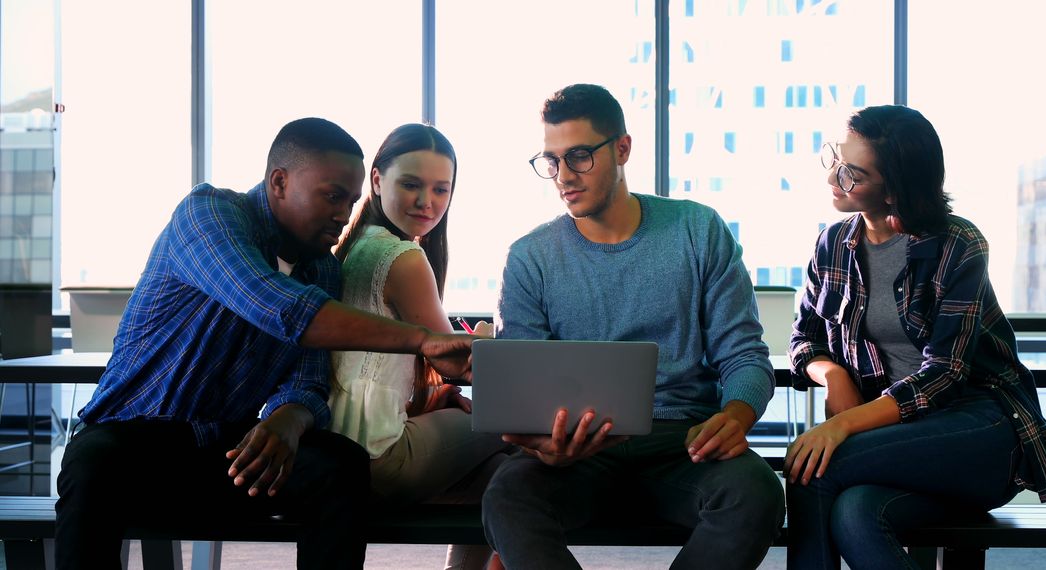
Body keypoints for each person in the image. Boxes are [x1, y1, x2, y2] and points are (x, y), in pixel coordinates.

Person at [55, 117, 476, 570]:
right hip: (132, 441)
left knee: (340, 464)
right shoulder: (208, 215)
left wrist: (288, 420)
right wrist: (424, 341)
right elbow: (277, 306)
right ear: (280, 182)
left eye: (351, 201)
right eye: (332, 196)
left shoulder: (322, 269)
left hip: (226, 454)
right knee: (93, 460)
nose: (343, 213)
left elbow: (307, 382)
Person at [481, 83, 786, 570]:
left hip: (683, 442)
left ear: (622, 148)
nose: (564, 176)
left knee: (756, 494)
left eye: (579, 156)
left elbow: (744, 354)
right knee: (507, 497)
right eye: (552, 161)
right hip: (578, 451)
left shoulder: (697, 230)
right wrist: (544, 446)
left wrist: (737, 415)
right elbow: (522, 387)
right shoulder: (529, 257)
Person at [784, 105, 1046, 570]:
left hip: (979, 429)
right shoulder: (832, 244)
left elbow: (945, 374)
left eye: (852, 174)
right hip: (896, 441)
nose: (833, 177)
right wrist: (832, 374)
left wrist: (846, 423)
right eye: (834, 158)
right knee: (856, 512)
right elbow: (804, 338)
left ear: (895, 189)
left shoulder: (957, 243)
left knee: (811, 466)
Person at [330, 123, 511, 570]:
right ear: (377, 181)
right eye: (410, 184)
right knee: (517, 433)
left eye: (440, 189)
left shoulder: (353, 247)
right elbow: (455, 362)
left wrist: (432, 398)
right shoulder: (403, 258)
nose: (426, 201)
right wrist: (487, 341)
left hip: (337, 451)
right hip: (378, 456)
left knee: (497, 473)